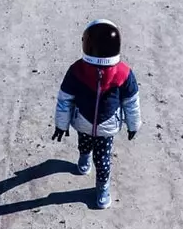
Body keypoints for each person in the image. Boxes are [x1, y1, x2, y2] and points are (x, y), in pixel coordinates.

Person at [53, 20, 141, 209]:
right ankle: (84, 157)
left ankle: (102, 187)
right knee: (84, 145)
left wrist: (134, 124)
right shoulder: (77, 71)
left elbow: (130, 101)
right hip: (84, 123)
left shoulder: (122, 74)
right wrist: (62, 123)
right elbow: (66, 98)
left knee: (102, 161)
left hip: (104, 129)